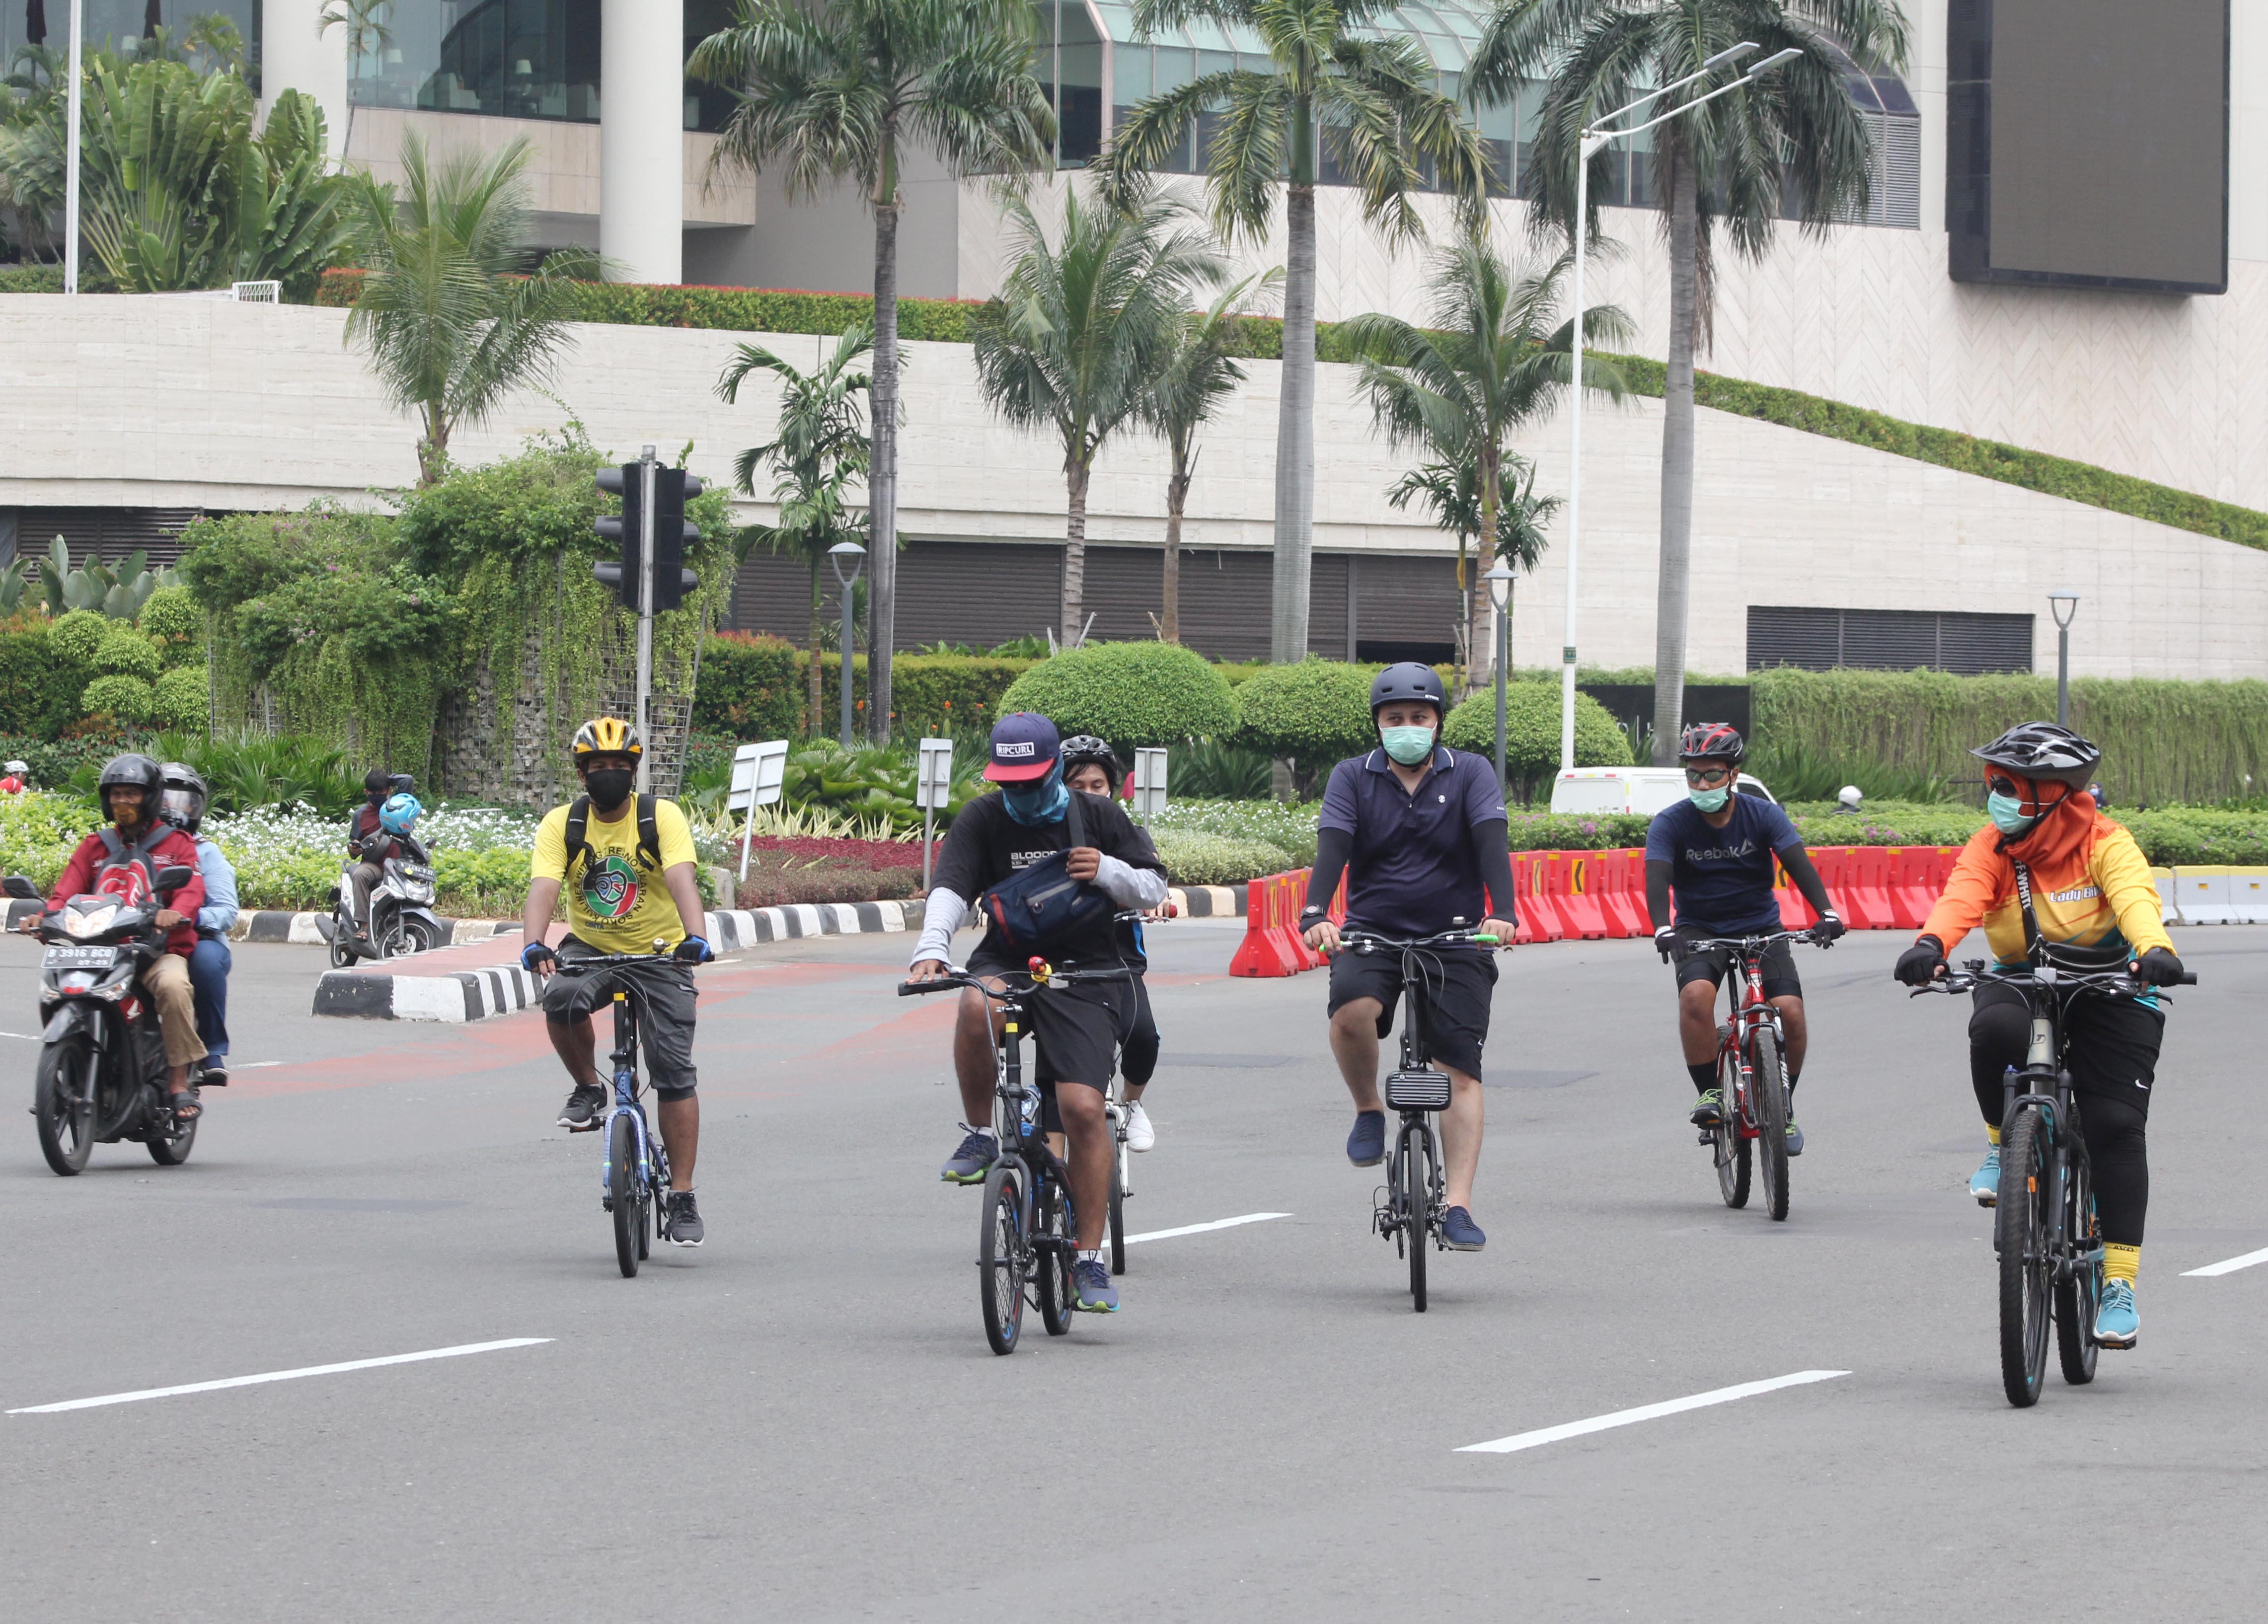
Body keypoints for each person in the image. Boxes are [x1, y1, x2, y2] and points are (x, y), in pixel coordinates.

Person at [1893, 722, 2182, 1350]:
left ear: (2050, 795)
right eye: (1993, 784)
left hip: (2114, 986)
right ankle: (2003, 1145)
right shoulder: (1993, 845)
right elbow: (1961, 897)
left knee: (2113, 1126)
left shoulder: (2107, 842)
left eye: (2005, 786)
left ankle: (2119, 1284)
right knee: (1993, 1024)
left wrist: (2154, 950)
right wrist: (1930, 944)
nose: (1993, 796)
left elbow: (2135, 900)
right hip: (2025, 980)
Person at [908, 712, 1169, 1315]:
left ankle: (1089, 1261)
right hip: (1010, 956)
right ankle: (979, 1136)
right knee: (976, 1002)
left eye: (1031, 781)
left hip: (1087, 967)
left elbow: (1155, 885)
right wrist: (931, 950)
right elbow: (950, 887)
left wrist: (1106, 871)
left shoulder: (1097, 815)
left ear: (1053, 769)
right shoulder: (983, 817)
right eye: (1010, 783)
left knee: (1081, 1108)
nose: (1020, 794)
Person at [1298, 664, 1516, 1253]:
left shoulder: (1470, 772)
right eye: (1395, 719)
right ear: (1378, 724)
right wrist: (1316, 914)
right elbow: (1333, 849)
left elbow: (1492, 842)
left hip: (1457, 937)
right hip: (1374, 931)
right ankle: (1369, 1109)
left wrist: (1505, 912)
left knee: (1459, 1071)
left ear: (1438, 721)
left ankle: (1459, 1206)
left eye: (1419, 718)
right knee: (1352, 1010)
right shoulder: (1352, 777)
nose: (1408, 728)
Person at [520, 719, 714, 1247]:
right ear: (582, 774)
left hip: (659, 952)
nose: (609, 776)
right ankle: (588, 1088)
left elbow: (680, 879)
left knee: (673, 1071)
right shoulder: (563, 824)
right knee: (559, 998)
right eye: (598, 768)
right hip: (591, 949)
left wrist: (695, 936)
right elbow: (543, 885)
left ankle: (682, 1194)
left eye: (619, 768)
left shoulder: (660, 817)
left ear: (634, 772)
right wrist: (534, 942)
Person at [1645, 723, 1845, 1155]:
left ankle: (1783, 1101)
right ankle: (1709, 1094)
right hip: (1700, 929)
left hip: (1761, 927)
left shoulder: (1763, 815)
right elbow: (1657, 876)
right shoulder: (1670, 823)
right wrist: (1663, 927)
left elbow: (1798, 865)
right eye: (1693, 775)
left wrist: (1826, 912)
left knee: (1789, 1011)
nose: (1702, 784)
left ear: (1734, 774)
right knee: (1696, 997)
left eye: (1712, 774)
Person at [24, 754, 207, 1121]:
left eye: (132, 794)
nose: (123, 802)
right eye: (117, 794)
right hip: (96, 951)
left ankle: (177, 1082)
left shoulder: (177, 845)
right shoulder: (95, 846)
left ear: (151, 797)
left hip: (153, 952)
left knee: (173, 987)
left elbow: (191, 890)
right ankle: (64, 1072)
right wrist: (43, 918)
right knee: (57, 988)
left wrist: (175, 913)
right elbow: (64, 894)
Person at [1059, 734, 1161, 1152]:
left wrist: (1148, 899)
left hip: (1118, 962)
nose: (1087, 795)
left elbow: (1152, 882)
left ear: (1112, 789)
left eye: (1096, 786)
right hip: (1056, 962)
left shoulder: (1125, 831)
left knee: (1142, 1036)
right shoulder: (1047, 832)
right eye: (1076, 786)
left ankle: (1132, 1103)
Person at [158, 762, 238, 1087]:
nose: (174, 809)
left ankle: (212, 1050)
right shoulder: (135, 846)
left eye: (183, 802)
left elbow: (226, 912)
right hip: (140, 935)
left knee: (205, 963)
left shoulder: (207, 853)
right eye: (165, 800)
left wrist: (186, 917)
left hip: (197, 937)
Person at [344, 791, 431, 958]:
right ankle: (363, 926)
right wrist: (358, 847)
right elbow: (357, 849)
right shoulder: (377, 832)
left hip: (398, 871)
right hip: (377, 868)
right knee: (361, 874)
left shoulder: (407, 838)